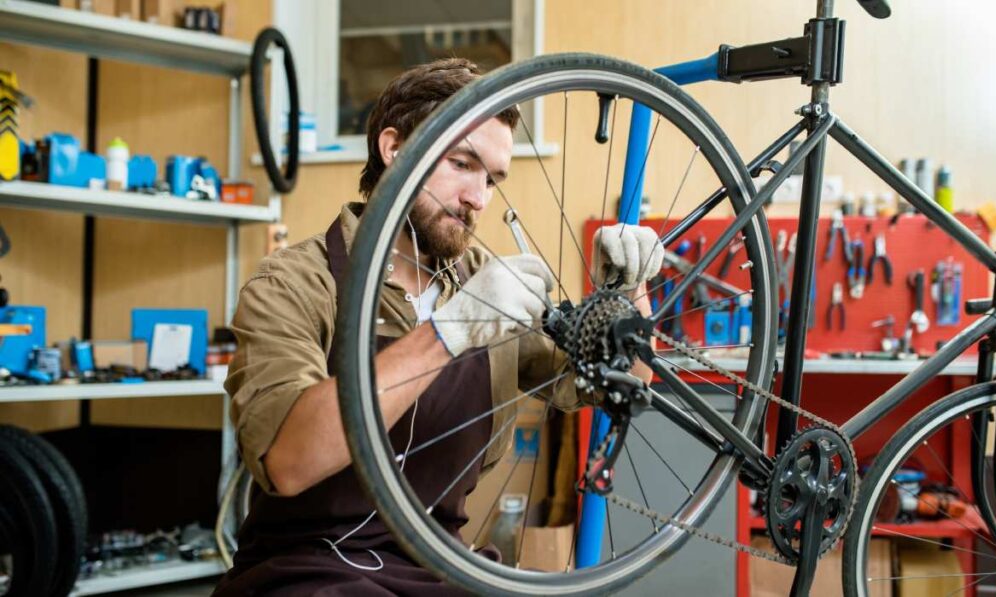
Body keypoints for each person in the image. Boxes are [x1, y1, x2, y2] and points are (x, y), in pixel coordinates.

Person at [213, 58, 664, 596]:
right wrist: (449, 331)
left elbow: (612, 384)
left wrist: (626, 296)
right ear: (394, 149)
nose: (479, 198)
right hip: (307, 570)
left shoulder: (484, 283)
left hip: (441, 565)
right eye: (461, 164)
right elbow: (287, 460)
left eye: (493, 179)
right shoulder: (296, 282)